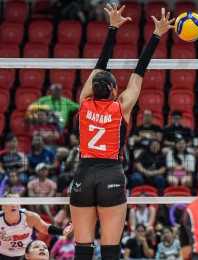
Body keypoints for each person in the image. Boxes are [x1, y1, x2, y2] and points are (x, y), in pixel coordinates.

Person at [69, 4, 174, 260]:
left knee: (82, 250)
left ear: (93, 89)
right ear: (115, 91)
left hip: (83, 172)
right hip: (111, 175)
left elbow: (99, 65)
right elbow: (139, 72)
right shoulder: (121, 106)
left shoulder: (84, 102)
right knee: (110, 251)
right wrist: (158, 34)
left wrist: (113, 27)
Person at [0, 190, 73, 259]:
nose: (13, 205)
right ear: (3, 206)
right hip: (3, 254)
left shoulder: (29, 217)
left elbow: (45, 228)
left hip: (25, 255)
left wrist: (62, 231)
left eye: (16, 201)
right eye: (10, 202)